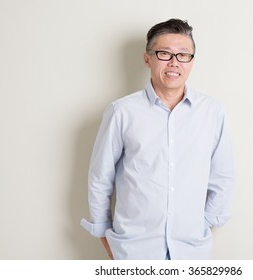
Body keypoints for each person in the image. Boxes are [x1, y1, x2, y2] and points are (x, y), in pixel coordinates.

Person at [80, 18, 234, 260]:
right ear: (147, 58)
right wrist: (107, 239)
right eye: (164, 53)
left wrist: (201, 226)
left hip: (191, 252)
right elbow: (100, 179)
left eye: (183, 55)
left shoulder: (212, 112)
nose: (174, 62)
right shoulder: (122, 112)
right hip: (133, 252)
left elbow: (222, 177)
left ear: (192, 61)